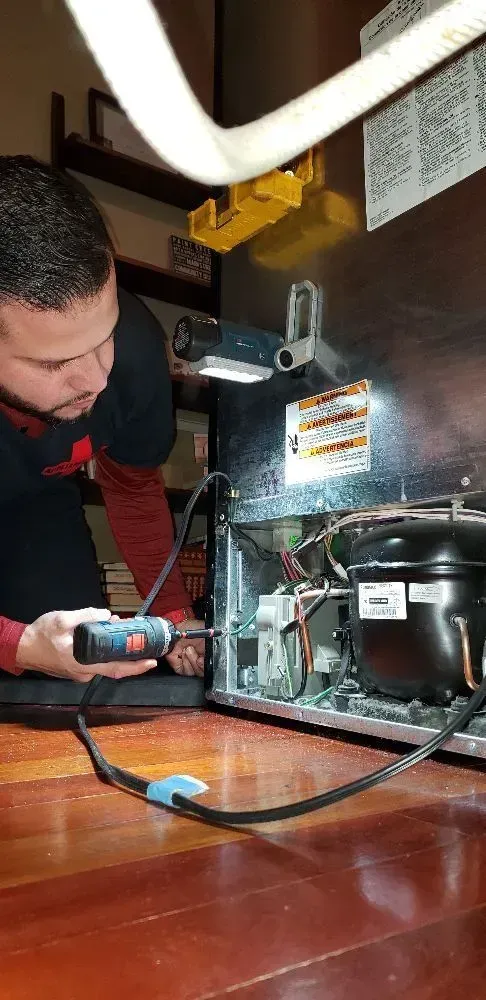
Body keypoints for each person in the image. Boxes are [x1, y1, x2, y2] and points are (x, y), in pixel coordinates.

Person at [0, 155, 205, 683]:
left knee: (75, 662)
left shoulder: (133, 352)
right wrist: (17, 643)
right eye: (55, 363)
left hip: (41, 510)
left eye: (103, 336)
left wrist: (174, 615)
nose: (95, 380)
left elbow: (133, 490)